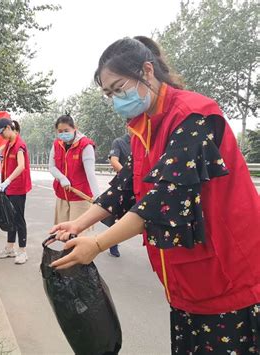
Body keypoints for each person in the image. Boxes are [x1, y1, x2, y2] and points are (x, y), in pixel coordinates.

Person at [50, 36, 260, 354]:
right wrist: (79, 225)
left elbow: (165, 199)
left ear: (147, 71)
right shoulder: (143, 128)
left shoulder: (193, 117)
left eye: (119, 88)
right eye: (109, 94)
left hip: (227, 275)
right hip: (186, 279)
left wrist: (96, 244)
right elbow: (124, 187)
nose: (115, 99)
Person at [0, 118, 32, 264]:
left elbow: (21, 166)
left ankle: (22, 251)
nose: (1, 136)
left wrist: (8, 180)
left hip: (18, 187)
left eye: (2, 132)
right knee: (10, 217)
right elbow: (3, 149)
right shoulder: (9, 143)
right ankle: (10, 248)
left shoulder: (19, 145)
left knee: (18, 218)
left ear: (8, 128)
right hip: (9, 188)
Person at [49, 114, 100, 225]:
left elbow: (91, 174)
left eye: (66, 130)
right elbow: (52, 167)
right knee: (62, 232)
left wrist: (97, 197)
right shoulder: (57, 144)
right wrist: (61, 178)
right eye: (60, 131)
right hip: (62, 195)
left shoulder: (85, 145)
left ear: (74, 127)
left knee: (77, 235)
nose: (63, 134)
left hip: (80, 198)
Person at [105, 122, 132, 257]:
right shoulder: (119, 142)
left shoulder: (145, 141)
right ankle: (112, 243)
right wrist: (128, 176)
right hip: (123, 184)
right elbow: (114, 161)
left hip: (141, 184)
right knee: (116, 217)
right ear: (128, 125)